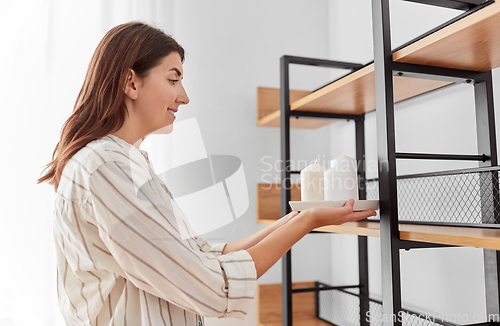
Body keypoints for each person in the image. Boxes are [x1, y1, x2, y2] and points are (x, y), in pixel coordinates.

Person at [38, 22, 376, 326]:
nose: (184, 97)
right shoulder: (106, 168)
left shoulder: (124, 163)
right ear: (130, 82)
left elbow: (200, 255)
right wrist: (307, 222)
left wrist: (301, 216)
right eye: (174, 79)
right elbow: (210, 286)